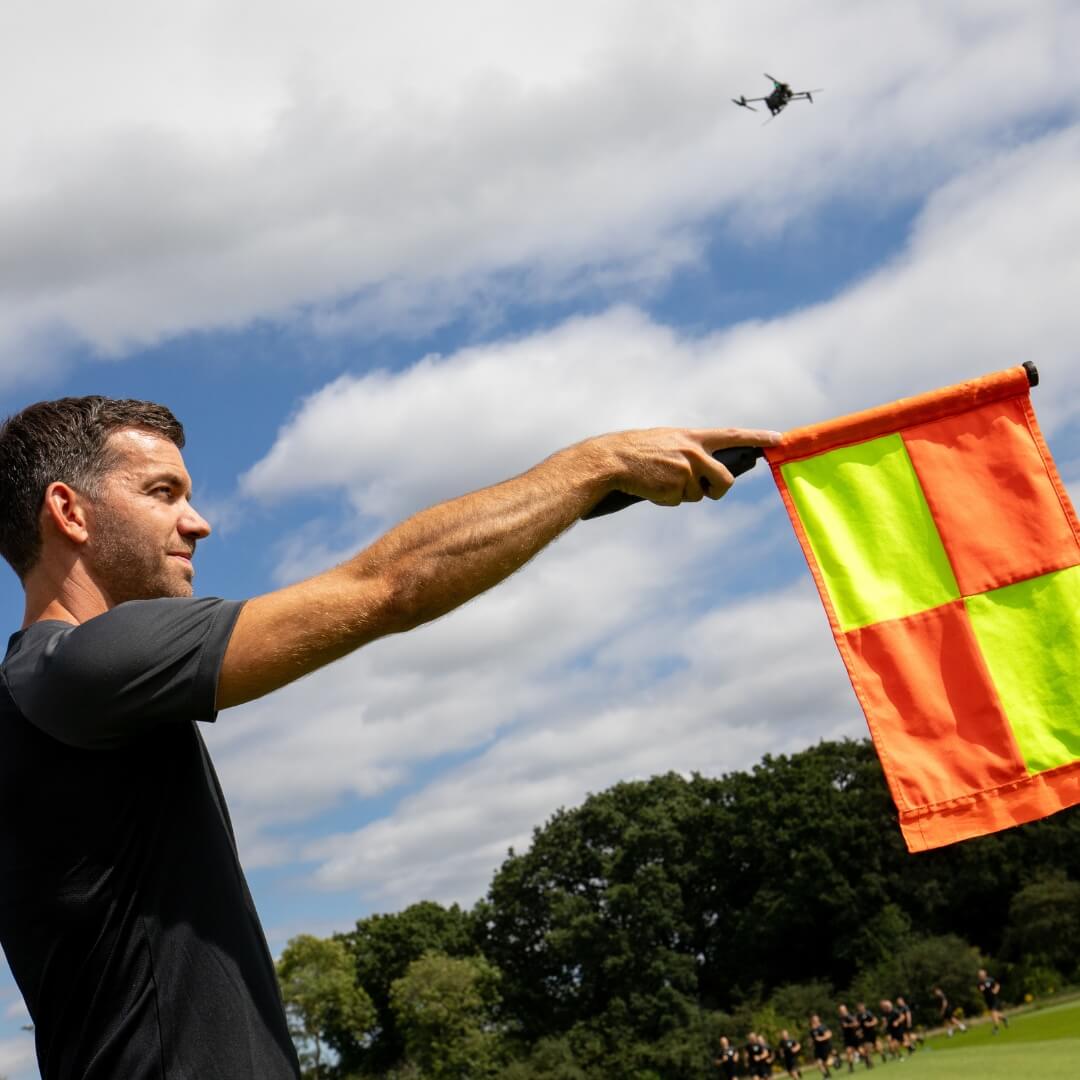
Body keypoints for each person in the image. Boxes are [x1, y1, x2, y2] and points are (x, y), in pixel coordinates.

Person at [0, 396, 781, 1079]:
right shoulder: (83, 667)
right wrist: (594, 464)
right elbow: (387, 588)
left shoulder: (38, 697)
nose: (197, 523)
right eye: (162, 493)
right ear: (70, 512)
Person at [977, 968, 1008, 1033]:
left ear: (985, 974)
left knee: (993, 1013)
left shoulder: (990, 980)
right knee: (995, 1014)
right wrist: (981, 989)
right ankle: (1004, 1018)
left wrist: (995, 990)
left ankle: (996, 1028)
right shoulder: (979, 983)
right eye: (979, 975)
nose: (981, 976)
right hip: (988, 1000)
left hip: (994, 999)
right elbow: (980, 990)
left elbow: (997, 985)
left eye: (982, 975)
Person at [837, 1003, 865, 1072]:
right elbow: (843, 1027)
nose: (842, 1011)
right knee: (848, 1052)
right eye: (841, 1010)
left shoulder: (850, 1016)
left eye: (843, 1009)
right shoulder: (841, 1018)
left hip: (854, 1036)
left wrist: (848, 1025)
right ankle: (851, 1068)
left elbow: (856, 1024)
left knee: (860, 1050)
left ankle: (867, 1059)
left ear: (846, 1009)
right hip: (847, 1038)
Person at [855, 1002, 878, 1068]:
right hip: (864, 1035)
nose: (860, 1008)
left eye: (861, 1007)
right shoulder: (858, 1016)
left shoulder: (868, 1013)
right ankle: (870, 1063)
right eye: (859, 1007)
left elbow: (875, 1021)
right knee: (866, 1049)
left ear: (864, 1007)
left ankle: (869, 1060)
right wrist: (858, 1031)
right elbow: (858, 1025)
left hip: (872, 1033)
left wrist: (870, 1024)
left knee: (874, 1048)